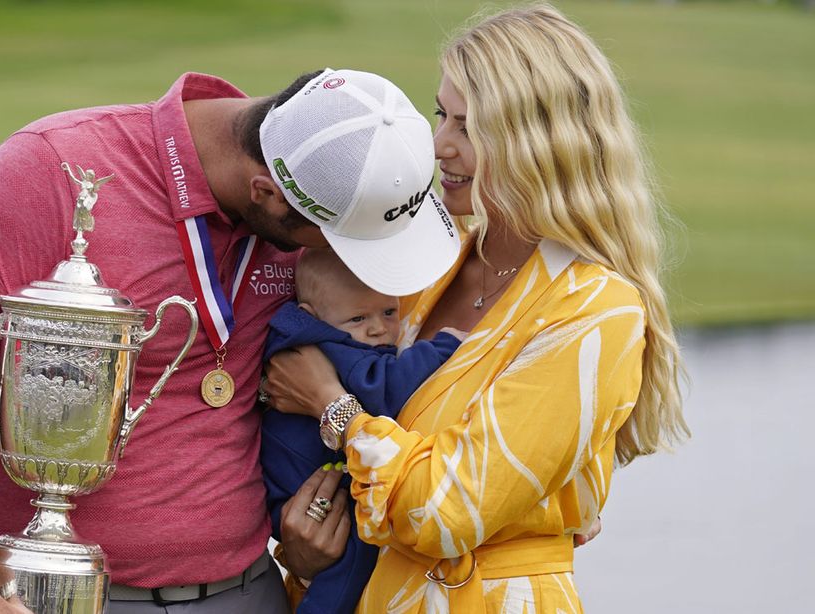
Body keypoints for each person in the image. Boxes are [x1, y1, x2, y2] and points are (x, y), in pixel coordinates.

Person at [0, 68, 459, 613]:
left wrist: (302, 546)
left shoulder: (307, 176)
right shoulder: (48, 172)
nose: (347, 264)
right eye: (341, 243)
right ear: (267, 194)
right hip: (64, 593)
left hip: (252, 588)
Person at [263, 5, 689, 613]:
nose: (439, 145)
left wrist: (333, 407)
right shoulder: (424, 269)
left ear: (539, 142)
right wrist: (305, 555)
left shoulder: (596, 311)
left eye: (468, 127)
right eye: (442, 114)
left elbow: (446, 510)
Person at [261, 247, 465, 614]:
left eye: (389, 311)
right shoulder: (330, 347)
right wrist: (442, 348)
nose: (377, 328)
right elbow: (382, 389)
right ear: (312, 314)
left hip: (296, 479)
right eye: (358, 318)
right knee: (354, 556)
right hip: (303, 486)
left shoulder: (319, 332)